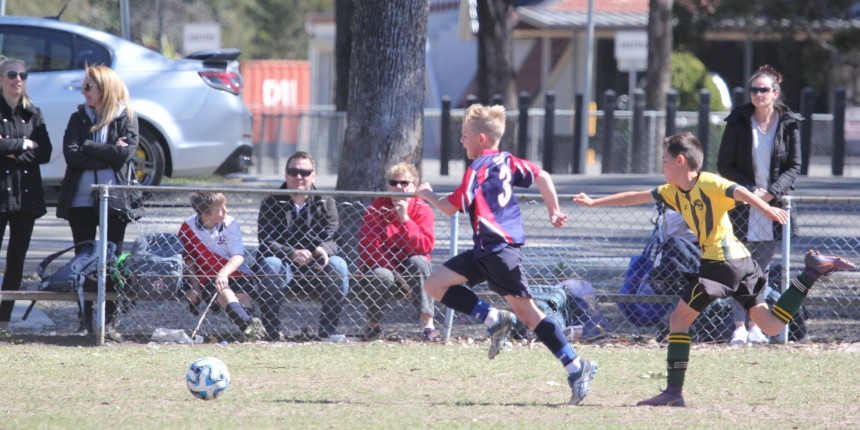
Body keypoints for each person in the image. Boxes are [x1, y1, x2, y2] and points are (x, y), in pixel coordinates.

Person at [573, 132, 855, 407]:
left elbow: (739, 191)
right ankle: (812, 273)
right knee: (771, 325)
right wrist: (595, 202)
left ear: (680, 161)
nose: (662, 166)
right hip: (740, 261)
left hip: (722, 263)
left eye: (665, 160)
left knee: (678, 321)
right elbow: (635, 196)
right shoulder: (673, 192)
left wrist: (765, 209)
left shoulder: (707, 182)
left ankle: (673, 391)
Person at [415, 103, 597, 405]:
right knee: (434, 285)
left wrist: (427, 194)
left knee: (528, 314)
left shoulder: (476, 171)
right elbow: (543, 176)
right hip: (484, 251)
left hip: (499, 252)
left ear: (481, 139)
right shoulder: (507, 161)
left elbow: (448, 207)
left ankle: (577, 367)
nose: (461, 141)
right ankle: (495, 318)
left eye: (464, 136)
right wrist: (554, 212)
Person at [717, 65, 802, 344]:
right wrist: (752, 192)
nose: (758, 94)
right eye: (754, 89)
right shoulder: (738, 120)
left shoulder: (788, 122)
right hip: (742, 204)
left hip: (773, 205)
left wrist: (772, 193)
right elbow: (724, 165)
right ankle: (739, 327)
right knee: (738, 267)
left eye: (763, 90)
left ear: (775, 93)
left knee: (761, 270)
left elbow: (794, 166)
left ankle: (756, 327)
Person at [56, 65, 139, 335]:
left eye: (88, 87)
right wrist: (108, 151)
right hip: (80, 200)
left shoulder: (127, 118)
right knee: (84, 259)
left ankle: (109, 322)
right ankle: (85, 320)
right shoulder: (78, 117)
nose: (83, 92)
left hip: (115, 201)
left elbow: (122, 157)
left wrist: (89, 146)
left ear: (104, 89)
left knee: (112, 261)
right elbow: (71, 155)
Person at [256, 152, 347, 342]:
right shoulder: (271, 202)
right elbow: (266, 240)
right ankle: (272, 332)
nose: (299, 177)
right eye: (294, 171)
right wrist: (290, 252)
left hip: (317, 266)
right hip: (284, 264)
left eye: (304, 172)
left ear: (313, 176)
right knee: (270, 264)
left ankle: (327, 332)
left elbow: (334, 239)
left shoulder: (326, 202)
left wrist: (324, 251)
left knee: (339, 265)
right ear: (286, 174)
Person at [0, 57, 52, 333]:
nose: (17, 79)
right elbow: (31, 148)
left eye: (22, 75)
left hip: (26, 197)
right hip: (1, 194)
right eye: (11, 74)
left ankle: (3, 320)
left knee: (16, 261)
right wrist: (22, 143)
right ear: (1, 79)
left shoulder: (34, 113)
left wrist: (9, 150)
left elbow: (45, 152)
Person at [357, 162, 436, 341]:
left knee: (420, 262)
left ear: (414, 187)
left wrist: (405, 219)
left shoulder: (422, 208)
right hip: (383, 268)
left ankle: (427, 326)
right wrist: (397, 275)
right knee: (381, 275)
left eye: (404, 183)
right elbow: (369, 249)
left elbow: (424, 247)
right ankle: (373, 327)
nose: (398, 187)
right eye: (393, 183)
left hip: (411, 268)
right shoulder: (376, 207)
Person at [179, 192, 264, 341]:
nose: (226, 211)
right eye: (220, 209)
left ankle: (249, 329)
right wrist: (194, 286)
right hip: (208, 275)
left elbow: (238, 256)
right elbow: (189, 260)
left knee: (242, 296)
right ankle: (250, 326)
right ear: (206, 216)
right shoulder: (188, 227)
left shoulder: (231, 223)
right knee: (225, 293)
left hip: (235, 271)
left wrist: (224, 273)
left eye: (225, 206)